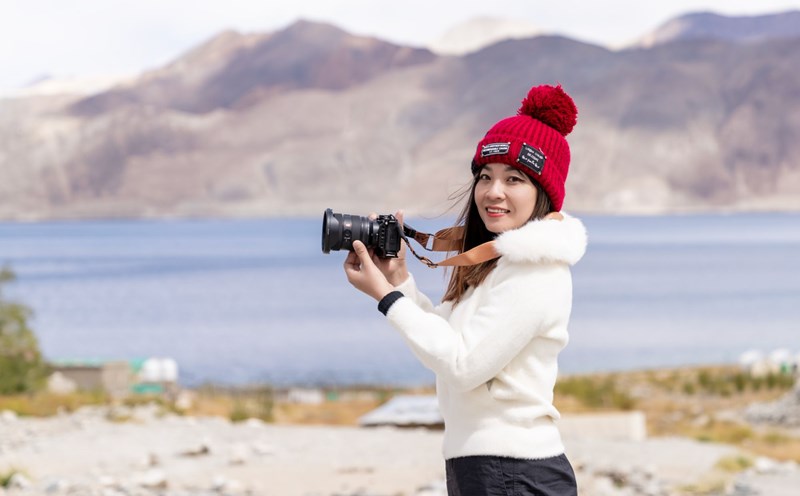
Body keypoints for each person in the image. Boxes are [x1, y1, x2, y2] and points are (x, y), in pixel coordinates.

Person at [343, 84, 586, 496]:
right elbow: (448, 345)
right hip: (489, 470)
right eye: (485, 177)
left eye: (514, 179)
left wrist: (387, 299)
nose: (494, 192)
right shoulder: (501, 264)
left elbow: (461, 364)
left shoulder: (537, 272)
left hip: (512, 473)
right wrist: (399, 280)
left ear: (543, 193)